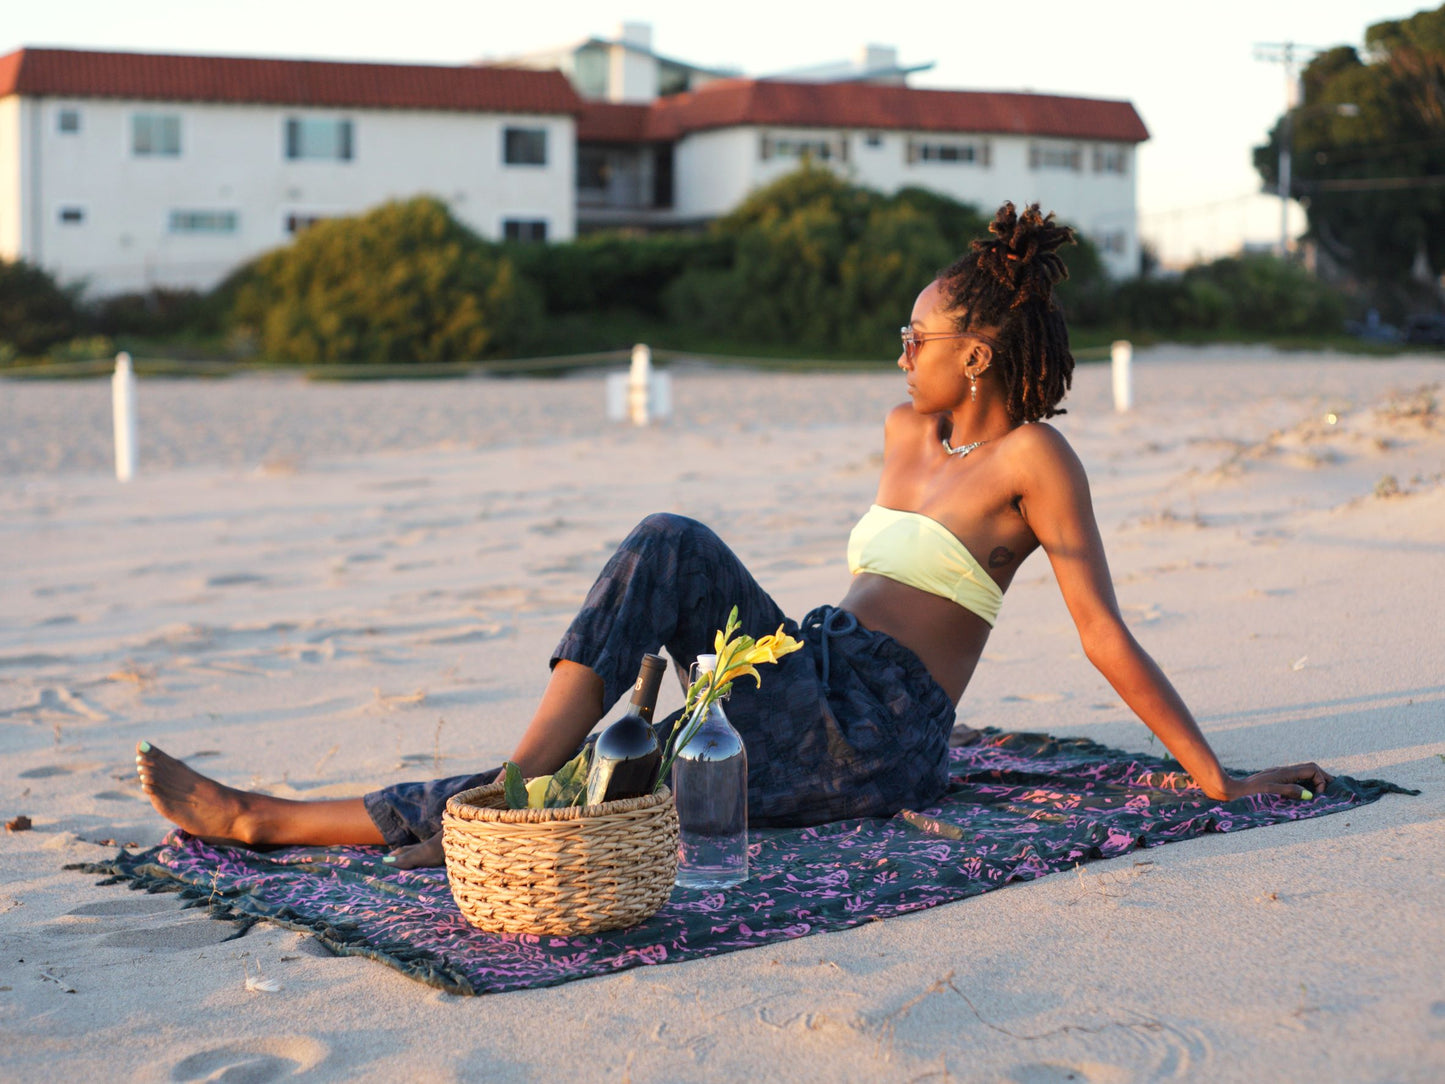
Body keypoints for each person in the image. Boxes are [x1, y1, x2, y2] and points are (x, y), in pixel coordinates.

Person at [135, 202, 1331, 869]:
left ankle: (387, 797)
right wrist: (657, 683)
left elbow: (1101, 633)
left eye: (915, 335)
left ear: (977, 352)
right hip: (798, 681)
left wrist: (1214, 774)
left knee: (669, 544)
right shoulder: (899, 432)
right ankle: (281, 817)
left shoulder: (1034, 462)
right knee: (612, 767)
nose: (896, 350)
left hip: (877, 730)